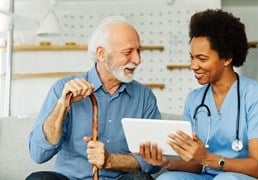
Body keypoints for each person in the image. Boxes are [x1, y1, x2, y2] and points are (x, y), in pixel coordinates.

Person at [139, 9, 258, 180]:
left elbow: (257, 167)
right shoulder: (194, 99)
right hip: (211, 176)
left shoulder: (256, 96)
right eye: (192, 57)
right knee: (167, 178)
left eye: (202, 59)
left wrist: (207, 158)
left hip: (255, 177)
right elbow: (196, 164)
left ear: (227, 58)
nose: (193, 66)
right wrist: (165, 162)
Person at [26, 16, 161, 180]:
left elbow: (154, 163)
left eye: (138, 51)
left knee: (140, 179)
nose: (137, 60)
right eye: (128, 52)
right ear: (101, 54)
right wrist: (62, 106)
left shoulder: (144, 97)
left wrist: (111, 160)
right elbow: (38, 154)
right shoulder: (63, 88)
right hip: (70, 178)